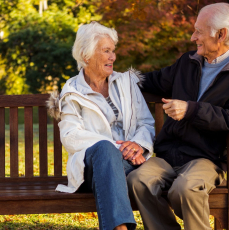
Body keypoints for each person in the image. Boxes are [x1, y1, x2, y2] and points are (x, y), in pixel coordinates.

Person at [126, 3, 229, 230]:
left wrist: (191, 110)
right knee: (137, 180)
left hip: (207, 158)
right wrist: (113, 77)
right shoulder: (188, 62)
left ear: (221, 35)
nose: (193, 37)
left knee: (185, 188)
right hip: (170, 154)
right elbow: (153, 80)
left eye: (199, 31)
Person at [47, 21, 155, 230]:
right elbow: (70, 135)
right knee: (105, 150)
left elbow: (146, 123)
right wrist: (117, 147)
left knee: (112, 164)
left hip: (130, 163)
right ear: (86, 56)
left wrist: (137, 145)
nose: (113, 57)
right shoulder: (72, 91)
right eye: (106, 51)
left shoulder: (126, 83)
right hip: (91, 169)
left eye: (113, 51)